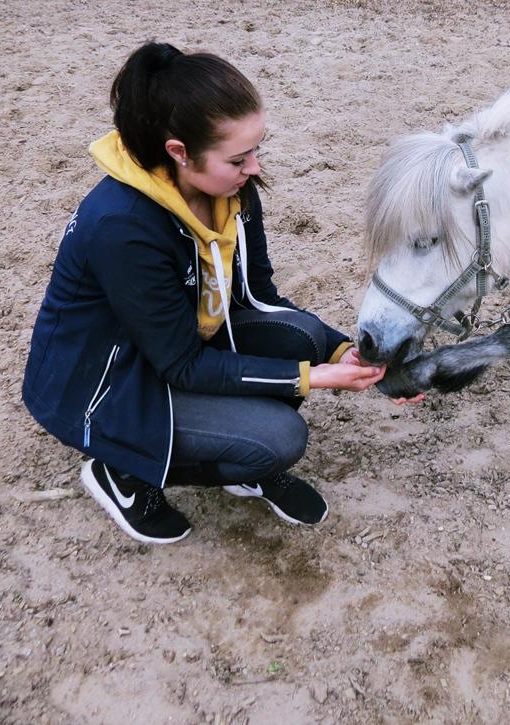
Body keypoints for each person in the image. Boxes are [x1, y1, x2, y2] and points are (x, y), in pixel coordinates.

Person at [22, 41, 417, 545]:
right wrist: (316, 378)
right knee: (280, 437)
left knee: (300, 336)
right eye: (238, 157)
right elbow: (181, 366)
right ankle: (124, 472)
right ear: (179, 152)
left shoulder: (228, 188)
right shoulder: (123, 226)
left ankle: (234, 456)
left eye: (257, 149)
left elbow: (259, 296)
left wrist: (345, 351)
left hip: (173, 344)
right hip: (103, 382)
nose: (254, 168)